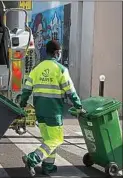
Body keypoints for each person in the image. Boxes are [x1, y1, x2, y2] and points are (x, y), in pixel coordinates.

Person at [20, 40, 85, 177]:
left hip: (40, 111)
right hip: (53, 111)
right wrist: (79, 106)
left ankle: (48, 166)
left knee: (48, 140)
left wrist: (22, 103)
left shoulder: (36, 69)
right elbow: (70, 91)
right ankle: (33, 158)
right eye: (60, 52)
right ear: (56, 53)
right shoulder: (61, 69)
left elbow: (26, 89)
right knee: (56, 139)